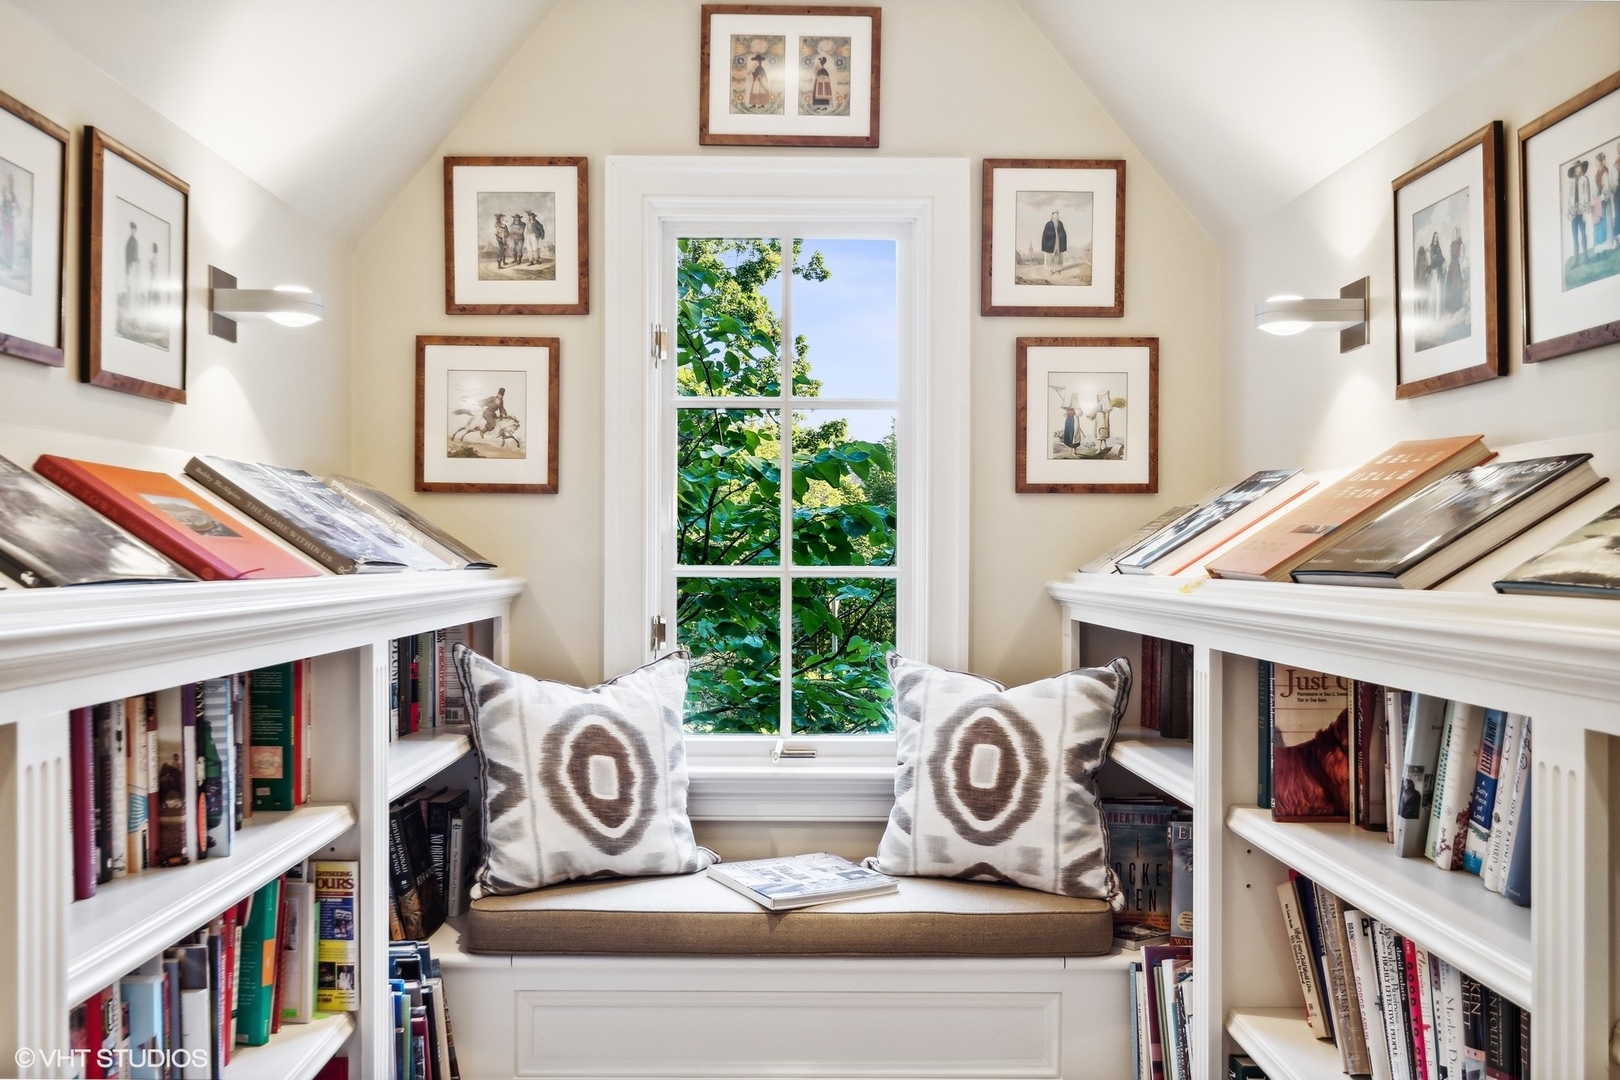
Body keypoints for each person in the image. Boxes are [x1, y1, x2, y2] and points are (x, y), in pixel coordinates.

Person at [1569, 160, 1591, 264]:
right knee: (1575, 237)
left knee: (1583, 234)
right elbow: (1570, 197)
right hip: (1574, 213)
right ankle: (1576, 260)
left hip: (1582, 212)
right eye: (1575, 168)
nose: (1577, 170)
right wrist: (1570, 210)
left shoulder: (1584, 179)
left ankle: (1585, 257)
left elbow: (1587, 196)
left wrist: (1586, 211)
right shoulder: (1571, 182)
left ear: (1581, 168)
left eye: (1579, 167)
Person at [1445, 226, 1465, 314]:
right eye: (1454, 233)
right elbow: (1449, 256)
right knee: (1450, 285)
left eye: (1456, 233)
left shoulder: (1460, 244)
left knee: (1457, 285)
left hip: (1457, 266)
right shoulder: (1451, 245)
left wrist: (1460, 266)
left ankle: (1457, 306)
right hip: (1451, 266)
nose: (1455, 235)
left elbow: (1462, 256)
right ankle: (1450, 307)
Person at [0, 172, 16, 273]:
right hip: (4, 220)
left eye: (12, 180)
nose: (10, 182)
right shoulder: (3, 192)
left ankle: (8, 263)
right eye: (9, 180)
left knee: (10, 241)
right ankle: (3, 262)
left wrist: (15, 209)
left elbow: (15, 207)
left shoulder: (12, 194)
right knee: (5, 240)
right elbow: (1, 206)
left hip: (10, 220)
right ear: (6, 181)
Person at [1427, 232, 1445, 320]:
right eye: (1435, 237)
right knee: (1432, 294)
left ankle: (1438, 316)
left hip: (1438, 272)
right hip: (1432, 272)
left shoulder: (1438, 248)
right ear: (1433, 237)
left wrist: (1438, 259)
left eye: (1437, 237)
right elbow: (1430, 260)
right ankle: (1431, 315)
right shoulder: (1430, 248)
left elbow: (1441, 258)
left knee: (1438, 293)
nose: (1436, 239)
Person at [124, 221, 140, 302]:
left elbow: (136, 255)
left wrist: (137, 261)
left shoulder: (135, 241)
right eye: (132, 230)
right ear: (131, 230)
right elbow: (128, 255)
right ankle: (129, 302)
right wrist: (128, 268)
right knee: (130, 284)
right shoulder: (130, 241)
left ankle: (133, 301)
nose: (133, 231)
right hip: (130, 265)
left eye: (134, 230)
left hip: (134, 265)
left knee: (134, 284)